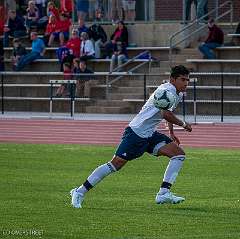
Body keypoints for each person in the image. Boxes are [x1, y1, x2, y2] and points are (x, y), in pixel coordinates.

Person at [70, 65, 192, 208]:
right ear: (173, 79)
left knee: (178, 155)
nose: (186, 83)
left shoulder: (177, 94)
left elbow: (166, 112)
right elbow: (166, 114)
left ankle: (163, 193)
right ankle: (79, 191)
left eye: (187, 80)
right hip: (136, 133)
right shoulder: (165, 91)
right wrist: (183, 124)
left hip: (149, 134)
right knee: (115, 165)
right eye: (182, 79)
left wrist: (171, 132)